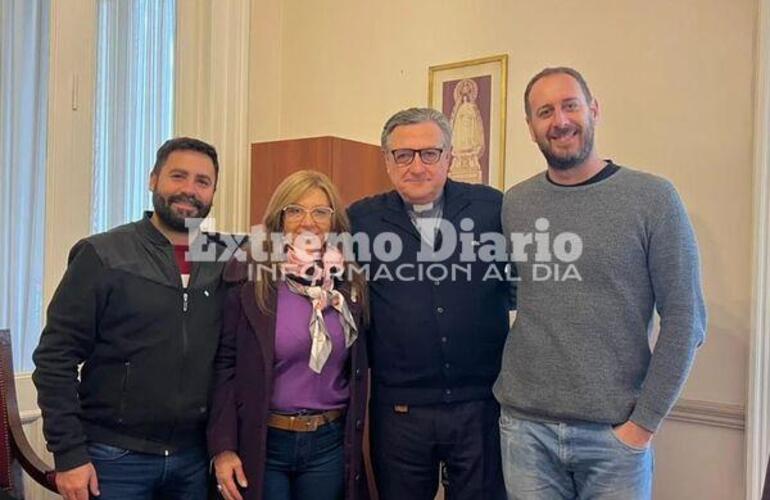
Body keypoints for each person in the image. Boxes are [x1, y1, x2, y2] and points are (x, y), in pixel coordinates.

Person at [494, 66, 707, 499]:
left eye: (570, 105)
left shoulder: (652, 198)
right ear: (531, 128)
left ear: (593, 109)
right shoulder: (516, 203)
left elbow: (686, 318)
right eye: (545, 111)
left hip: (615, 437)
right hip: (524, 433)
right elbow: (518, 293)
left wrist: (642, 425)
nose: (560, 121)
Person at [32, 137, 229, 500]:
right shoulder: (102, 254)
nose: (189, 190)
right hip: (114, 457)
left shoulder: (224, 261)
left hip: (194, 460)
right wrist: (69, 453)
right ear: (153, 179)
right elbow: (54, 358)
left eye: (202, 182)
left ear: (214, 192)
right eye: (178, 176)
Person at [348, 108, 510, 500]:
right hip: (399, 410)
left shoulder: (493, 210)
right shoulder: (360, 220)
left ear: (450, 157)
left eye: (429, 154)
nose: (416, 166)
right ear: (387, 161)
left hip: (481, 405)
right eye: (403, 155)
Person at [208, 170, 370, 500]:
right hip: (264, 441)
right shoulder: (250, 277)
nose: (307, 221)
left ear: (334, 222)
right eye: (295, 210)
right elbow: (224, 367)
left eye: (320, 212)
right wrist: (222, 448)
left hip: (328, 443)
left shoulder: (348, 283)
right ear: (279, 218)